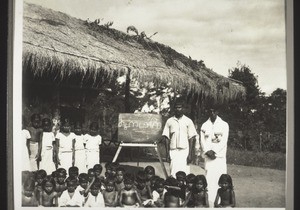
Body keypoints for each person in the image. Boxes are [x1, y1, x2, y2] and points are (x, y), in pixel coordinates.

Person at [200, 108, 229, 206]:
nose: (212, 113)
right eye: (210, 111)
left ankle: (220, 202)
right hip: (208, 157)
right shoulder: (204, 125)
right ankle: (209, 202)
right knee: (209, 179)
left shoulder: (224, 125)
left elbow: (224, 141)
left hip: (219, 157)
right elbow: (202, 141)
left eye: (214, 111)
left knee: (220, 179)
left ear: (217, 112)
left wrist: (214, 151)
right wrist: (207, 151)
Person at [162, 100, 198, 176]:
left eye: (180, 107)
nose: (178, 109)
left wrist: (190, 154)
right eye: (176, 107)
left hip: (184, 151)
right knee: (173, 173)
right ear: (174, 109)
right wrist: (167, 153)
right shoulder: (169, 121)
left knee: (185, 174)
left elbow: (192, 138)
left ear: (183, 109)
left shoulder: (188, 121)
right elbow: (166, 138)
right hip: (173, 151)